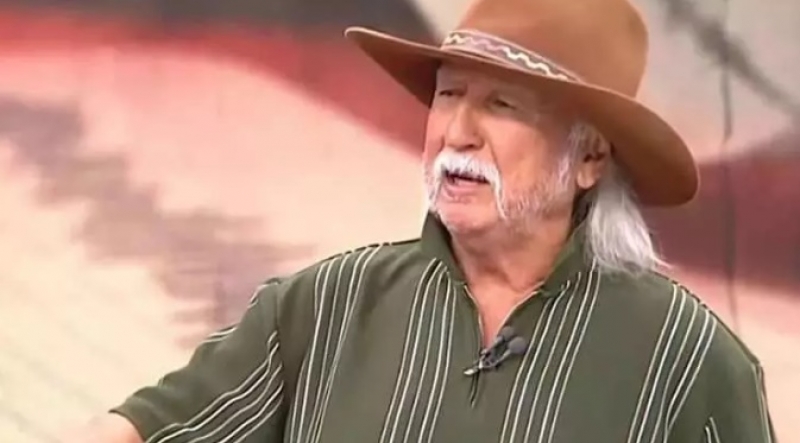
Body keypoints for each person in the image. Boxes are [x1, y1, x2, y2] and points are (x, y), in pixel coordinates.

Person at [67, 0, 777, 441]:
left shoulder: (688, 362)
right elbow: (142, 429)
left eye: (501, 105)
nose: (456, 133)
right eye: (448, 94)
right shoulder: (328, 307)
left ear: (589, 155)